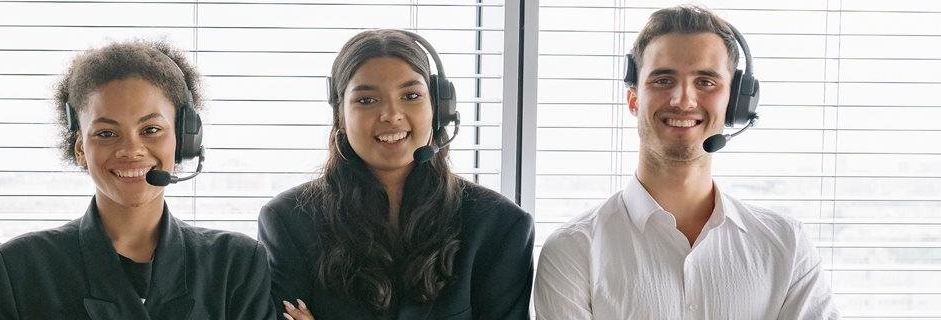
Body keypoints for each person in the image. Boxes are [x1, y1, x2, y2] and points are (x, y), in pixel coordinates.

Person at [533, 5, 838, 319]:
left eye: (706, 82)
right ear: (634, 99)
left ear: (735, 104)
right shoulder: (574, 250)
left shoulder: (785, 245)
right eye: (663, 80)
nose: (683, 100)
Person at [0, 40, 273, 319]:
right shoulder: (22, 267)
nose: (131, 151)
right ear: (81, 149)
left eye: (151, 130)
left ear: (184, 140)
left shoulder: (235, 263)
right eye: (106, 134)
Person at [258, 29, 534, 319]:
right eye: (366, 100)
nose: (391, 114)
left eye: (411, 95)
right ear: (339, 113)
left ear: (439, 109)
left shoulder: (500, 226)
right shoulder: (288, 221)